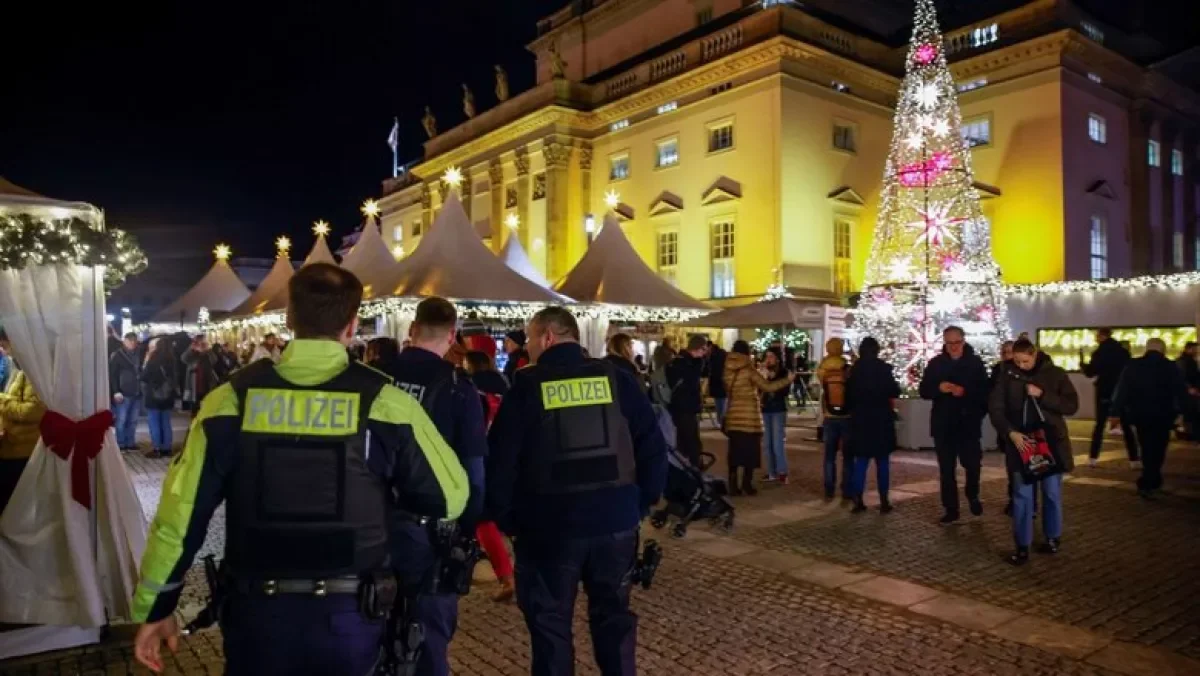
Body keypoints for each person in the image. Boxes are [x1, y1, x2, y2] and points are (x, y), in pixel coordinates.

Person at [130, 263, 468, 675]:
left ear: (289, 319)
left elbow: (179, 518)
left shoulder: (229, 401)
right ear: (351, 323)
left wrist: (158, 605)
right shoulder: (386, 403)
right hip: (352, 617)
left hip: (257, 615)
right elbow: (450, 497)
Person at [486, 306, 667, 676]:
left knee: (550, 627)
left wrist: (508, 519)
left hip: (548, 527)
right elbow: (652, 444)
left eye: (530, 338)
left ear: (547, 337)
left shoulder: (526, 386)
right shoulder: (616, 378)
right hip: (615, 522)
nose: (528, 346)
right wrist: (640, 502)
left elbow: (501, 462)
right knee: (614, 619)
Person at [375, 297, 488, 676]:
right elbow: (473, 473)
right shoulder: (459, 388)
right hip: (431, 533)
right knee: (428, 642)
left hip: (370, 524)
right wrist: (467, 533)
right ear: (453, 335)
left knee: (369, 632)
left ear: (411, 328)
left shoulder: (376, 376)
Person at [989, 338, 1078, 565]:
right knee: (1021, 495)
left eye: (1025, 361)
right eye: (1016, 361)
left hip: (1050, 443)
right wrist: (1010, 432)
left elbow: (1071, 405)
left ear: (1034, 354)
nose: (1021, 366)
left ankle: (1052, 537)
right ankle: (1022, 546)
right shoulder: (1006, 375)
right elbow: (996, 409)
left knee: (1051, 492)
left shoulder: (1055, 374)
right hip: (1021, 443)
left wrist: (1043, 395)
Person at [919, 325, 990, 524]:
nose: (953, 347)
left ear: (963, 341)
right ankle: (951, 508)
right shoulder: (936, 364)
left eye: (956, 343)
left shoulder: (975, 364)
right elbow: (924, 390)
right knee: (946, 470)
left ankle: (972, 494)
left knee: (973, 465)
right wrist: (938, 388)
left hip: (968, 424)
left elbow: (984, 393)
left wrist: (965, 393)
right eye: (949, 343)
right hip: (944, 425)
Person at [462, 349, 516, 603]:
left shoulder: (469, 389)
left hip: (481, 455)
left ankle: (506, 576)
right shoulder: (505, 384)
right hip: (505, 455)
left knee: (482, 520)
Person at [1110, 338, 1189, 499]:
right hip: (1164, 415)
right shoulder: (1170, 366)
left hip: (1141, 415)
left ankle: (1149, 479)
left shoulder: (1133, 366)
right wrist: (1186, 414)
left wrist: (1115, 412)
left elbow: (1122, 390)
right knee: (1159, 447)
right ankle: (1152, 479)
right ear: (1163, 350)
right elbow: (1181, 392)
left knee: (1146, 446)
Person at [723, 341, 794, 496]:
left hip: (733, 416)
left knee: (734, 452)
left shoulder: (727, 370)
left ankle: (733, 485)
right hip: (749, 417)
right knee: (750, 452)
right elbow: (767, 387)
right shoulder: (749, 370)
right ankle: (747, 484)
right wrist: (787, 380)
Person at [845, 337, 901, 514]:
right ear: (877, 350)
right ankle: (884, 500)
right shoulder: (883, 369)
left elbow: (848, 399)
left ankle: (858, 499)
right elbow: (894, 390)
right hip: (881, 421)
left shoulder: (855, 371)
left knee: (861, 462)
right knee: (882, 462)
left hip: (861, 421)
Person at [1082, 328, 1137, 468]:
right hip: (1121, 390)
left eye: (1097, 335)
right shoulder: (1123, 352)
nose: (1095, 338)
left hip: (1104, 390)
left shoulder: (1100, 352)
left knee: (1100, 425)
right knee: (1126, 425)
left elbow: (1090, 372)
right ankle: (1134, 459)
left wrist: (1083, 364)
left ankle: (1093, 458)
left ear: (1102, 336)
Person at [0, 362, 46, 514]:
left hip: (22, 448)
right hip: (11, 442)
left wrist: (2, 400)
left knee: (13, 502)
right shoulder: (21, 371)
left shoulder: (37, 375)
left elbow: (30, 412)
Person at [817, 338, 853, 501]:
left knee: (829, 455)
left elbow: (819, 384)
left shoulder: (822, 368)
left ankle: (829, 488)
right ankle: (846, 488)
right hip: (846, 416)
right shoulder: (846, 367)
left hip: (829, 415)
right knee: (847, 455)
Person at [666, 335, 707, 468]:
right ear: (697, 348)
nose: (704, 353)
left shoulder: (677, 361)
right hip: (685, 407)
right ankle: (693, 469)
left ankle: (686, 466)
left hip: (677, 407)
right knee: (690, 441)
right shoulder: (688, 364)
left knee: (683, 440)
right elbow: (691, 385)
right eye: (703, 349)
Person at [140, 337, 178, 458]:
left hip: (154, 396)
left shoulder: (153, 360)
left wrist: (145, 362)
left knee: (154, 422)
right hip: (168, 396)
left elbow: (144, 377)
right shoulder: (172, 360)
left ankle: (156, 448)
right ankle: (167, 448)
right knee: (166, 422)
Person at [760, 347, 791, 484]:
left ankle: (782, 472)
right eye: (767, 356)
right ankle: (771, 471)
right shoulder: (763, 372)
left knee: (777, 441)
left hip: (778, 409)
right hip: (766, 409)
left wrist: (771, 380)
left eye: (771, 356)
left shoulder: (784, 372)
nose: (768, 359)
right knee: (767, 443)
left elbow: (784, 391)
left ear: (777, 358)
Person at [109, 332, 142, 451]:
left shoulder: (139, 353)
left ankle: (130, 442)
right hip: (123, 392)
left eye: (134, 341)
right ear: (124, 341)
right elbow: (113, 374)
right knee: (121, 419)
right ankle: (121, 443)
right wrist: (116, 391)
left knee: (133, 420)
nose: (133, 343)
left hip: (137, 391)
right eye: (130, 340)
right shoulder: (117, 355)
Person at [180, 336, 218, 418]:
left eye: (202, 342)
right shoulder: (192, 353)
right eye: (198, 342)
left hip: (207, 383)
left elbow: (214, 361)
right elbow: (183, 359)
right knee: (194, 407)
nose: (200, 344)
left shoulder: (208, 353)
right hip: (194, 384)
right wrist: (191, 348)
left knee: (207, 406)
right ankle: (194, 422)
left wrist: (208, 350)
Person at [1176, 342, 1200, 441]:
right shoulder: (1186, 361)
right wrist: (1190, 388)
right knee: (1192, 414)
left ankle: (1191, 434)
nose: (1197, 351)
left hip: (1190, 392)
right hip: (1191, 392)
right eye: (1195, 349)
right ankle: (1192, 435)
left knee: (1190, 415)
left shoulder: (1185, 360)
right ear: (1189, 349)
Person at [706, 339, 728, 425]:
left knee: (720, 404)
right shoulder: (721, 354)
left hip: (718, 383)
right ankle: (721, 421)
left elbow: (712, 370)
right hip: (721, 383)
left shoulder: (714, 356)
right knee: (721, 403)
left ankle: (721, 421)